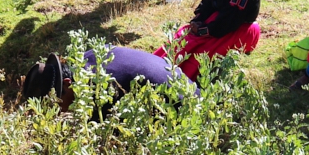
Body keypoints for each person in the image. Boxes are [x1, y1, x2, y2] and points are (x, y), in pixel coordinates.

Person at [22, 45, 192, 110]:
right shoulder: (88, 58)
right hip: (182, 83)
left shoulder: (103, 90)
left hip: (186, 107)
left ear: (68, 85)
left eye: (56, 107)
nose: (59, 114)